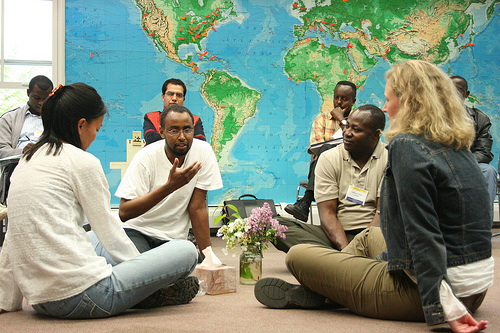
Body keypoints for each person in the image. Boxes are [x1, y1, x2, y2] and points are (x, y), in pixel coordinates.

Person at [255, 60, 492, 333]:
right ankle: (337, 284)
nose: (384, 107)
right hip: (475, 288)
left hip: (432, 292)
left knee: (299, 256)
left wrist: (442, 309)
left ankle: (327, 290)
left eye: (388, 99)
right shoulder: (457, 142)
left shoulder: (407, 145)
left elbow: (422, 233)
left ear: (409, 102)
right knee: (369, 238)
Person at [0, 83, 199, 318]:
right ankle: (147, 295)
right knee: (186, 250)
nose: (95, 137)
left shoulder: (27, 160)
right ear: (81, 125)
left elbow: (14, 236)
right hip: (87, 296)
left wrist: (7, 300)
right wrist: (146, 275)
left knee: (91, 236)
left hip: (40, 299)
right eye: (96, 129)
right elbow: (111, 234)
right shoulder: (82, 162)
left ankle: (141, 290)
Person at [115, 104, 222, 261]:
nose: (182, 137)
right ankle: (165, 281)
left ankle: (165, 281)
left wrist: (209, 258)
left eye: (187, 130)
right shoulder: (145, 157)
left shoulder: (204, 152)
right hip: (137, 231)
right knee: (141, 264)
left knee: (190, 255)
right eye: (174, 130)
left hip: (173, 239)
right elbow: (124, 213)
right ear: (162, 132)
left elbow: (197, 207)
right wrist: (169, 187)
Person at [275, 104, 387, 252]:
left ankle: (334, 263)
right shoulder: (329, 158)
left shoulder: (390, 158)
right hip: (337, 237)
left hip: (376, 236)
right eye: (346, 126)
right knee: (275, 225)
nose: (346, 133)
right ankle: (348, 263)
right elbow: (327, 214)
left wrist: (360, 249)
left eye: (356, 129)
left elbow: (382, 215)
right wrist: (347, 251)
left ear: (376, 135)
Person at [285, 81, 356, 222]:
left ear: (353, 101)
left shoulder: (359, 120)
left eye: (344, 99)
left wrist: (342, 121)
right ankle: (307, 201)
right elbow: (315, 148)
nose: (339, 102)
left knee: (326, 149)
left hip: (350, 168)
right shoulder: (322, 119)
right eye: (336, 97)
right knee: (323, 150)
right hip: (326, 170)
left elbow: (357, 147)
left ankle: (306, 200)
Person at [0, 75, 53, 204]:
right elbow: (2, 151)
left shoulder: (58, 120)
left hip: (50, 169)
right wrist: (23, 152)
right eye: (36, 98)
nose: (41, 102)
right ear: (28, 93)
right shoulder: (9, 119)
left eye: (45, 99)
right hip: (18, 168)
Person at [450, 75, 497, 219]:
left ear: (466, 94)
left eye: (458, 90)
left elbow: (484, 152)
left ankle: (483, 225)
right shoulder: (433, 116)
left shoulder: (479, 118)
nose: (453, 93)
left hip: (470, 164)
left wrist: (463, 162)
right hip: (440, 164)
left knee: (488, 171)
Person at [143, 78, 206, 144]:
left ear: (183, 100)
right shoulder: (151, 117)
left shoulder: (194, 120)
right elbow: (151, 139)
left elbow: (200, 143)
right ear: (163, 97)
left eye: (179, 95)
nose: (174, 98)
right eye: (170, 94)